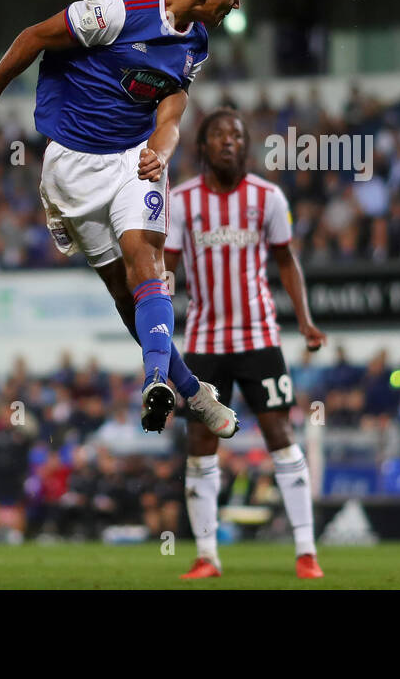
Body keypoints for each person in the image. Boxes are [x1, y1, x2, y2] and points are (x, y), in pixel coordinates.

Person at [0, 0, 243, 438]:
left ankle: (156, 378)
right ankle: (193, 391)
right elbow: (34, 37)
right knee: (125, 297)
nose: (236, 3)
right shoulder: (115, 11)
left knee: (148, 267)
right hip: (72, 167)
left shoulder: (196, 42)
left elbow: (173, 109)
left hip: (134, 160)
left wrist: (162, 146)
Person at [166, 108, 328, 579]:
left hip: (259, 338)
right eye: (219, 135)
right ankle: (207, 556)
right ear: (202, 146)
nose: (229, 142)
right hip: (203, 342)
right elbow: (167, 272)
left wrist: (306, 320)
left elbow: (286, 262)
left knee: (281, 435)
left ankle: (305, 550)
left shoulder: (268, 197)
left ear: (247, 145)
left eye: (236, 135)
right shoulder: (180, 201)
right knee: (200, 442)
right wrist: (154, 325)